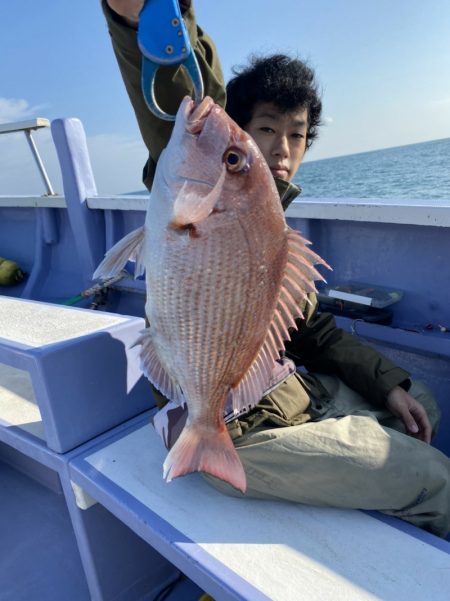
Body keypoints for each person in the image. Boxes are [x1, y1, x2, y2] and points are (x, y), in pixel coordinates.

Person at [101, 0, 450, 537]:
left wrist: (390, 385)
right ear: (239, 126)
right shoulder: (202, 182)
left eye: (298, 134)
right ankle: (215, 443)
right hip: (236, 428)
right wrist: (138, 21)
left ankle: (367, 480)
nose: (282, 149)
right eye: (265, 129)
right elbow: (184, 101)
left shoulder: (267, 221)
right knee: (436, 475)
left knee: (418, 401)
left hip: (289, 396)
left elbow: (311, 328)